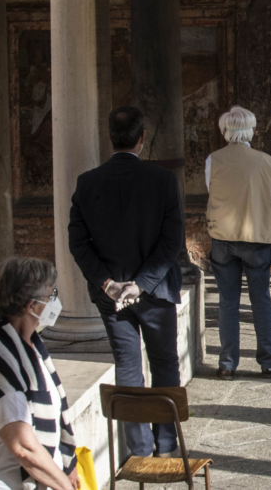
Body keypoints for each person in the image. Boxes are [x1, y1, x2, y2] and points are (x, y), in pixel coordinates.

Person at [67, 106, 182, 458]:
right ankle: (166, 444)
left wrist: (107, 283)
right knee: (163, 363)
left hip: (112, 294)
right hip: (154, 290)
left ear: (110, 138)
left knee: (128, 364)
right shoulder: (162, 180)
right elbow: (172, 240)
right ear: (142, 138)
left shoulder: (88, 183)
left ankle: (139, 448)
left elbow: (77, 241)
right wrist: (142, 283)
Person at [205, 106, 271, 380]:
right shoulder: (267, 161)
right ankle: (269, 361)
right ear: (251, 130)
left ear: (225, 132)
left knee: (228, 302)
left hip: (224, 238)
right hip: (257, 237)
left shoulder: (212, 160)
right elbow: (270, 192)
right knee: (261, 300)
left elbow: (211, 190)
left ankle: (228, 364)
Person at [0, 258, 80, 490]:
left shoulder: (32, 347)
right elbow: (22, 446)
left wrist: (68, 465)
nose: (54, 301)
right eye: (50, 294)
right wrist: (62, 484)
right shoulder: (4, 360)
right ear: (30, 306)